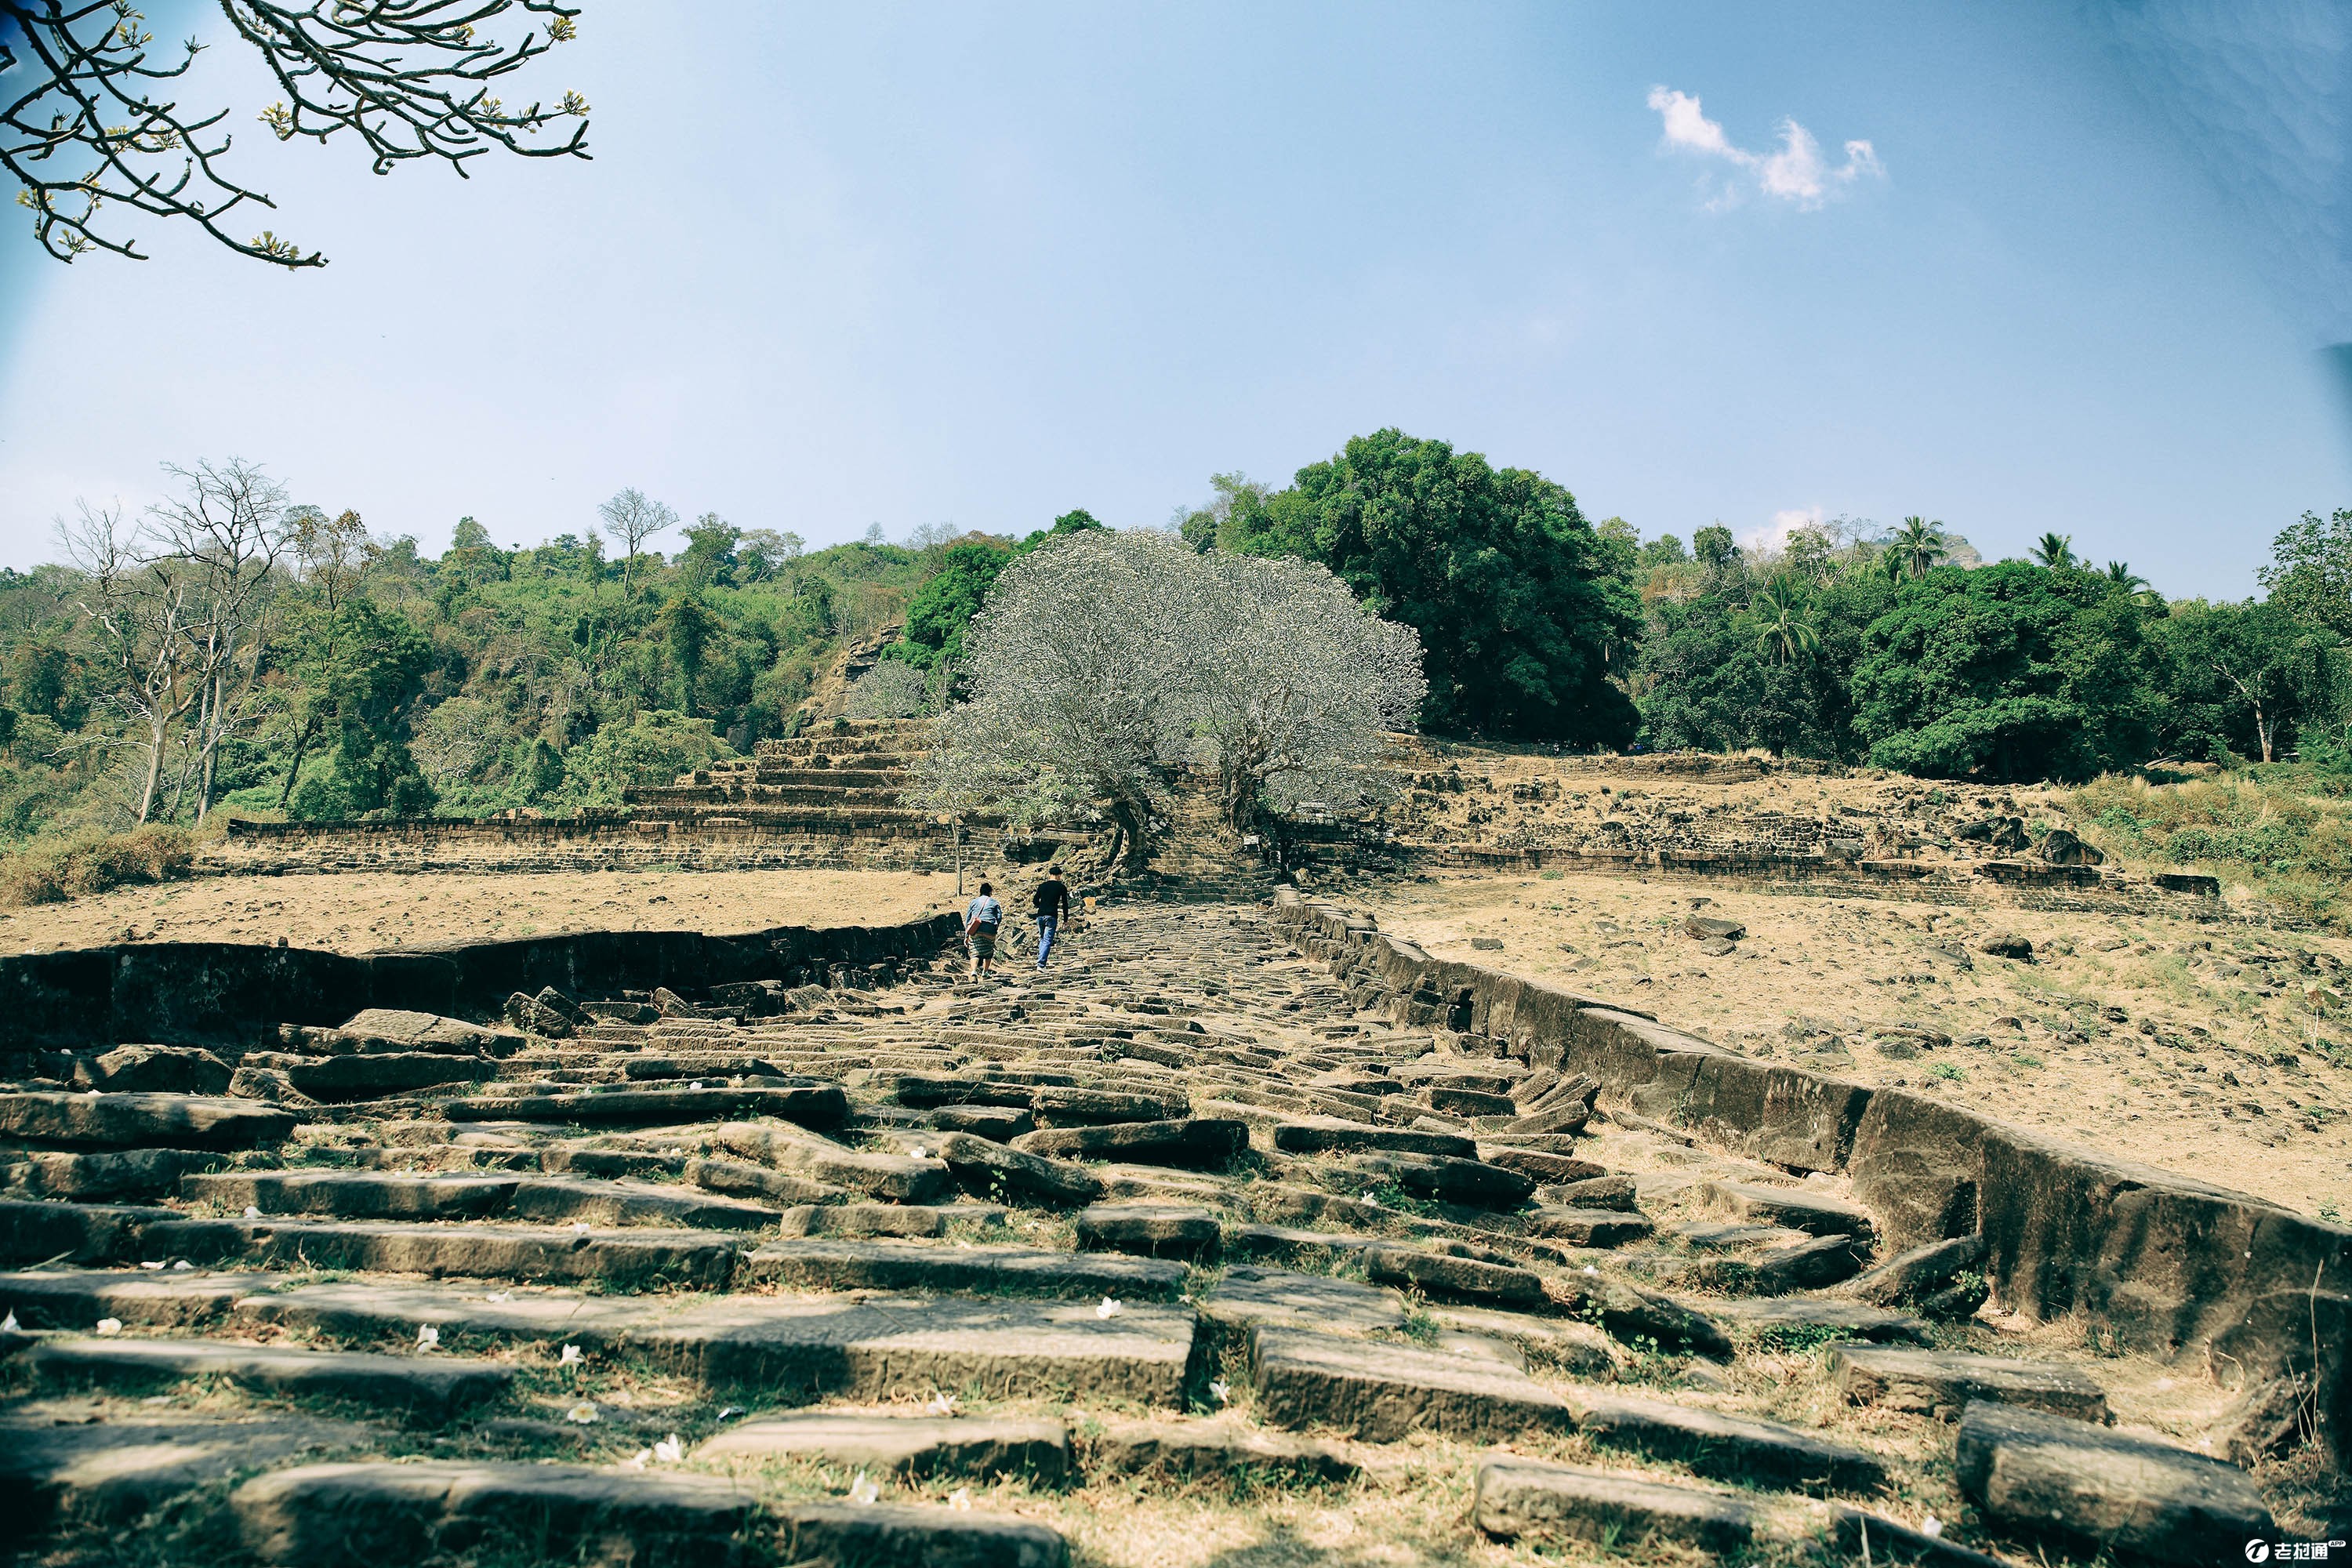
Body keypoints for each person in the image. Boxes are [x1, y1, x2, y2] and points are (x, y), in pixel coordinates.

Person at [1031, 865, 1071, 970]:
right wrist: (1066, 919)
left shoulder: (1042, 886)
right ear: (1059, 876)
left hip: (1040, 915)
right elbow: (1065, 904)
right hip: (1051, 915)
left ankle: (1040, 960)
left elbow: (1035, 901)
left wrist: (1042, 906)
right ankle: (1041, 964)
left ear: (1050, 875)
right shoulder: (1061, 887)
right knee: (1048, 940)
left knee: (1042, 939)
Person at [964, 881, 1003, 978]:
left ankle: (973, 972)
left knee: (974, 951)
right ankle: (985, 972)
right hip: (990, 928)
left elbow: (968, 919)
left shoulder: (974, 902)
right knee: (989, 951)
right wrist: (995, 927)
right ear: (990, 892)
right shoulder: (994, 902)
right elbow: (999, 917)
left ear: (980, 892)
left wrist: (966, 936)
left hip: (976, 928)